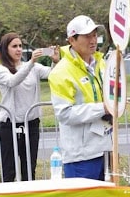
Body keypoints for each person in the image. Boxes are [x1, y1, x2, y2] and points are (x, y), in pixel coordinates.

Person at [48, 15, 112, 180]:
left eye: (94, 35)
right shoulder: (60, 72)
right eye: (87, 36)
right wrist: (103, 108)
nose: (93, 40)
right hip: (80, 154)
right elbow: (64, 114)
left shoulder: (101, 64)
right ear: (72, 40)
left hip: (105, 147)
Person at [0, 33, 60, 182]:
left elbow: (52, 75)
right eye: (14, 46)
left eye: (20, 46)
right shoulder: (1, 69)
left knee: (29, 167)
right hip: (9, 124)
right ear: (6, 49)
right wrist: (30, 62)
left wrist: (55, 62)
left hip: (31, 122)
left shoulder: (33, 67)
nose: (18, 50)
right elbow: (13, 81)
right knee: (9, 168)